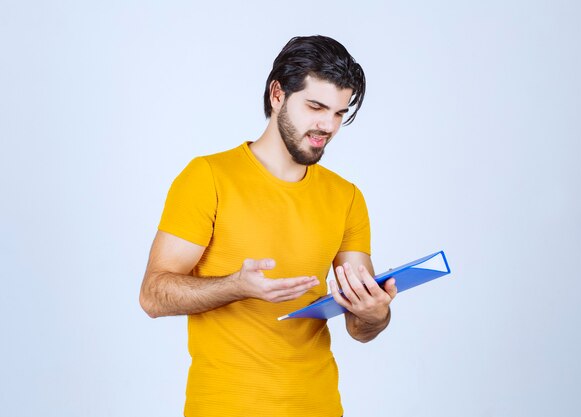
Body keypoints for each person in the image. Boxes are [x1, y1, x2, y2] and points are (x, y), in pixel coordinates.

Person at [139, 35, 397, 417]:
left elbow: (360, 328)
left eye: (340, 113)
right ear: (277, 94)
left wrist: (375, 314)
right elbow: (152, 295)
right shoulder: (207, 177)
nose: (327, 125)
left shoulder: (347, 197)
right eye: (316, 106)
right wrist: (236, 286)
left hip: (320, 407)